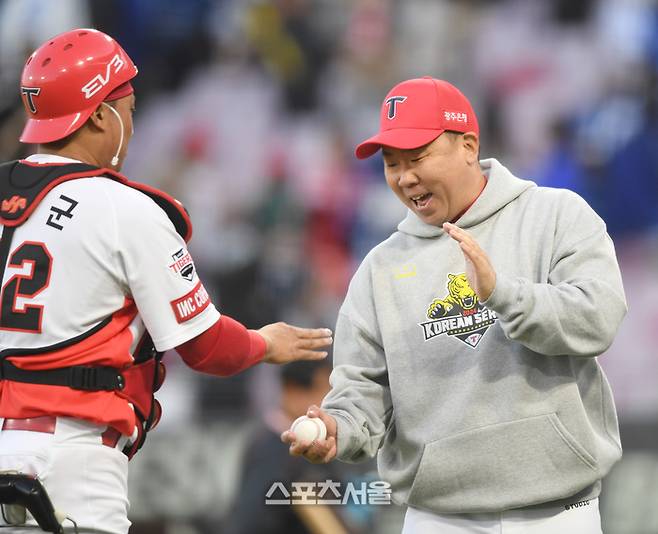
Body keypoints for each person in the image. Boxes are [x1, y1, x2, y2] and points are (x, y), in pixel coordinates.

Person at [0, 28, 332, 534]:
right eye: (127, 111)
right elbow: (205, 348)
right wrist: (265, 343)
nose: (131, 127)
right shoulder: (123, 207)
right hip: (73, 458)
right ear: (97, 116)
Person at [282, 76, 627, 534]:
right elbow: (362, 392)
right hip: (438, 519)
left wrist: (503, 295)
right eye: (391, 164)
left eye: (417, 157)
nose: (404, 177)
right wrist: (337, 430)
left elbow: (598, 319)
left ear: (468, 145)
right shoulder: (380, 268)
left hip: (558, 513)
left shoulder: (556, 215)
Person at [227, 359, 348, 534]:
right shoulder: (270, 450)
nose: (329, 401)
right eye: (324, 391)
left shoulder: (320, 446)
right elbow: (251, 523)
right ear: (292, 391)